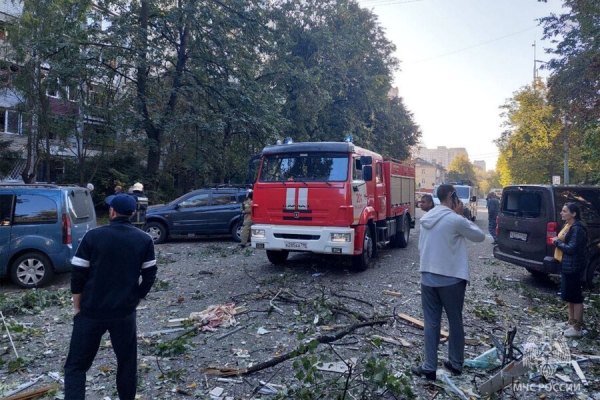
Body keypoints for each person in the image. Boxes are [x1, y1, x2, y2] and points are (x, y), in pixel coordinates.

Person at [64, 194, 157, 399]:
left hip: (91, 312)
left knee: (76, 367)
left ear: (112, 212)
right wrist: (136, 299)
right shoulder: (144, 239)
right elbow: (150, 276)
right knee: (126, 364)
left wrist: (77, 307)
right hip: (124, 314)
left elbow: (78, 275)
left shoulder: (93, 236)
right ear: (133, 214)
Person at [412, 184, 485, 381]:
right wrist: (461, 215)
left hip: (427, 277)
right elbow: (479, 237)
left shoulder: (426, 218)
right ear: (452, 196)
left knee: (431, 323)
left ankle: (429, 367)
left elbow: (421, 247)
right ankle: (455, 363)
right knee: (455, 321)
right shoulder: (454, 220)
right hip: (451, 279)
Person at [552, 202, 588, 338]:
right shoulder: (568, 225)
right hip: (566, 264)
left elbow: (572, 248)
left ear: (573, 214)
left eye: (565, 211)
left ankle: (577, 328)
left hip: (574, 265)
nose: (561, 213)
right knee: (569, 296)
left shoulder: (577, 228)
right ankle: (570, 322)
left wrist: (557, 242)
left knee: (576, 297)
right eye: (562, 210)